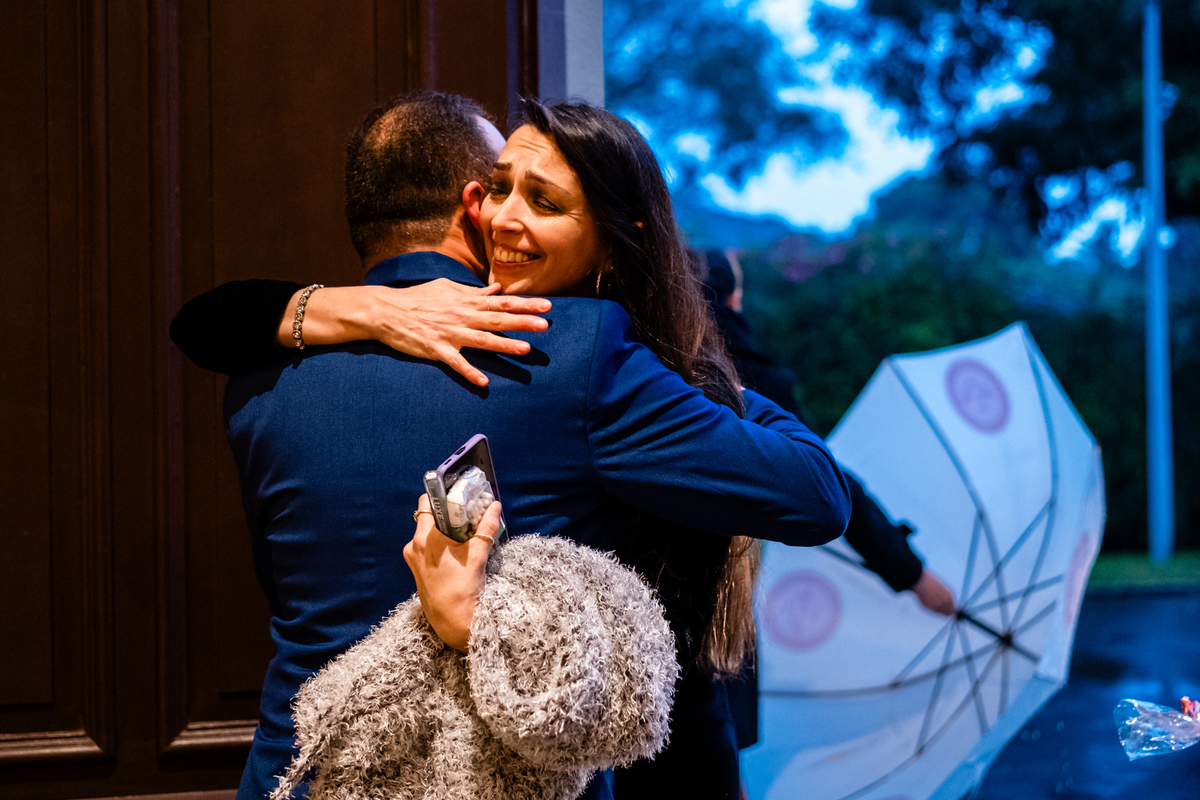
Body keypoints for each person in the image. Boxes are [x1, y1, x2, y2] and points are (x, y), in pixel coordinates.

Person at [177, 91, 851, 800]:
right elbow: (817, 494)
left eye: (542, 199)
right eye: (499, 188)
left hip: (300, 775)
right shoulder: (578, 352)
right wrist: (698, 372)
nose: (504, 215)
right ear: (471, 201)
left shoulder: (258, 369)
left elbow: (281, 582)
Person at [694, 247, 956, 759]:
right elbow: (830, 485)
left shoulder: (641, 357)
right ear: (731, 300)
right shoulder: (747, 379)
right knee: (715, 752)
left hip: (644, 595)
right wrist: (912, 574)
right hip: (716, 600)